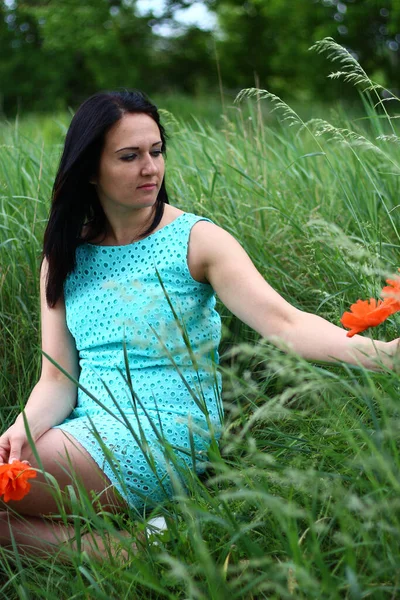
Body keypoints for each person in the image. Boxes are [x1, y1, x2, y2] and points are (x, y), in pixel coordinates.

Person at [0, 90, 398, 561]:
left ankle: (136, 544)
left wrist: (386, 356)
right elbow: (57, 379)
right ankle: (130, 551)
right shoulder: (64, 257)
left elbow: (284, 323)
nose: (150, 168)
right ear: (89, 169)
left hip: (165, 432)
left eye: (156, 151)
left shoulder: (197, 241)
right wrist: (24, 425)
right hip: (84, 425)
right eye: (129, 157)